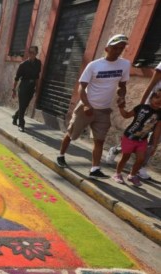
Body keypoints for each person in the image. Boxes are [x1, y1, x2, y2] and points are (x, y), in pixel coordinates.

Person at [56, 34, 131, 179]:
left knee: (99, 140)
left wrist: (122, 96)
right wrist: (86, 105)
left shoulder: (124, 65)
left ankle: (94, 169)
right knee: (72, 134)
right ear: (107, 48)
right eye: (115, 48)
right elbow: (81, 88)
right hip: (86, 107)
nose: (118, 51)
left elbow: (122, 85)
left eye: (121, 48)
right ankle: (61, 155)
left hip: (104, 110)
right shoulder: (94, 65)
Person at [105, 60, 161, 180]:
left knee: (154, 138)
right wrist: (142, 106)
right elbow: (151, 85)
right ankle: (116, 150)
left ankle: (140, 167)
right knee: (138, 132)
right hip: (151, 107)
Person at [112, 89, 161, 186]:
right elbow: (126, 115)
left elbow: (157, 131)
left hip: (142, 140)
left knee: (141, 159)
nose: (159, 100)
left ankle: (132, 175)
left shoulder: (160, 114)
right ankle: (117, 174)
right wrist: (121, 107)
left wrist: (154, 146)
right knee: (125, 157)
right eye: (157, 97)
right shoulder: (141, 107)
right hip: (129, 137)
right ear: (151, 98)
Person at [12, 46, 41, 132]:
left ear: (36, 53)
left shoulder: (38, 63)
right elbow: (17, 78)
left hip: (31, 87)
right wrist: (13, 90)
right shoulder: (23, 65)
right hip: (23, 86)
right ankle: (21, 125)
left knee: (24, 106)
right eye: (30, 52)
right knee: (22, 105)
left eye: (33, 52)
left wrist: (37, 89)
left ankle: (15, 116)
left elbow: (37, 77)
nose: (31, 54)